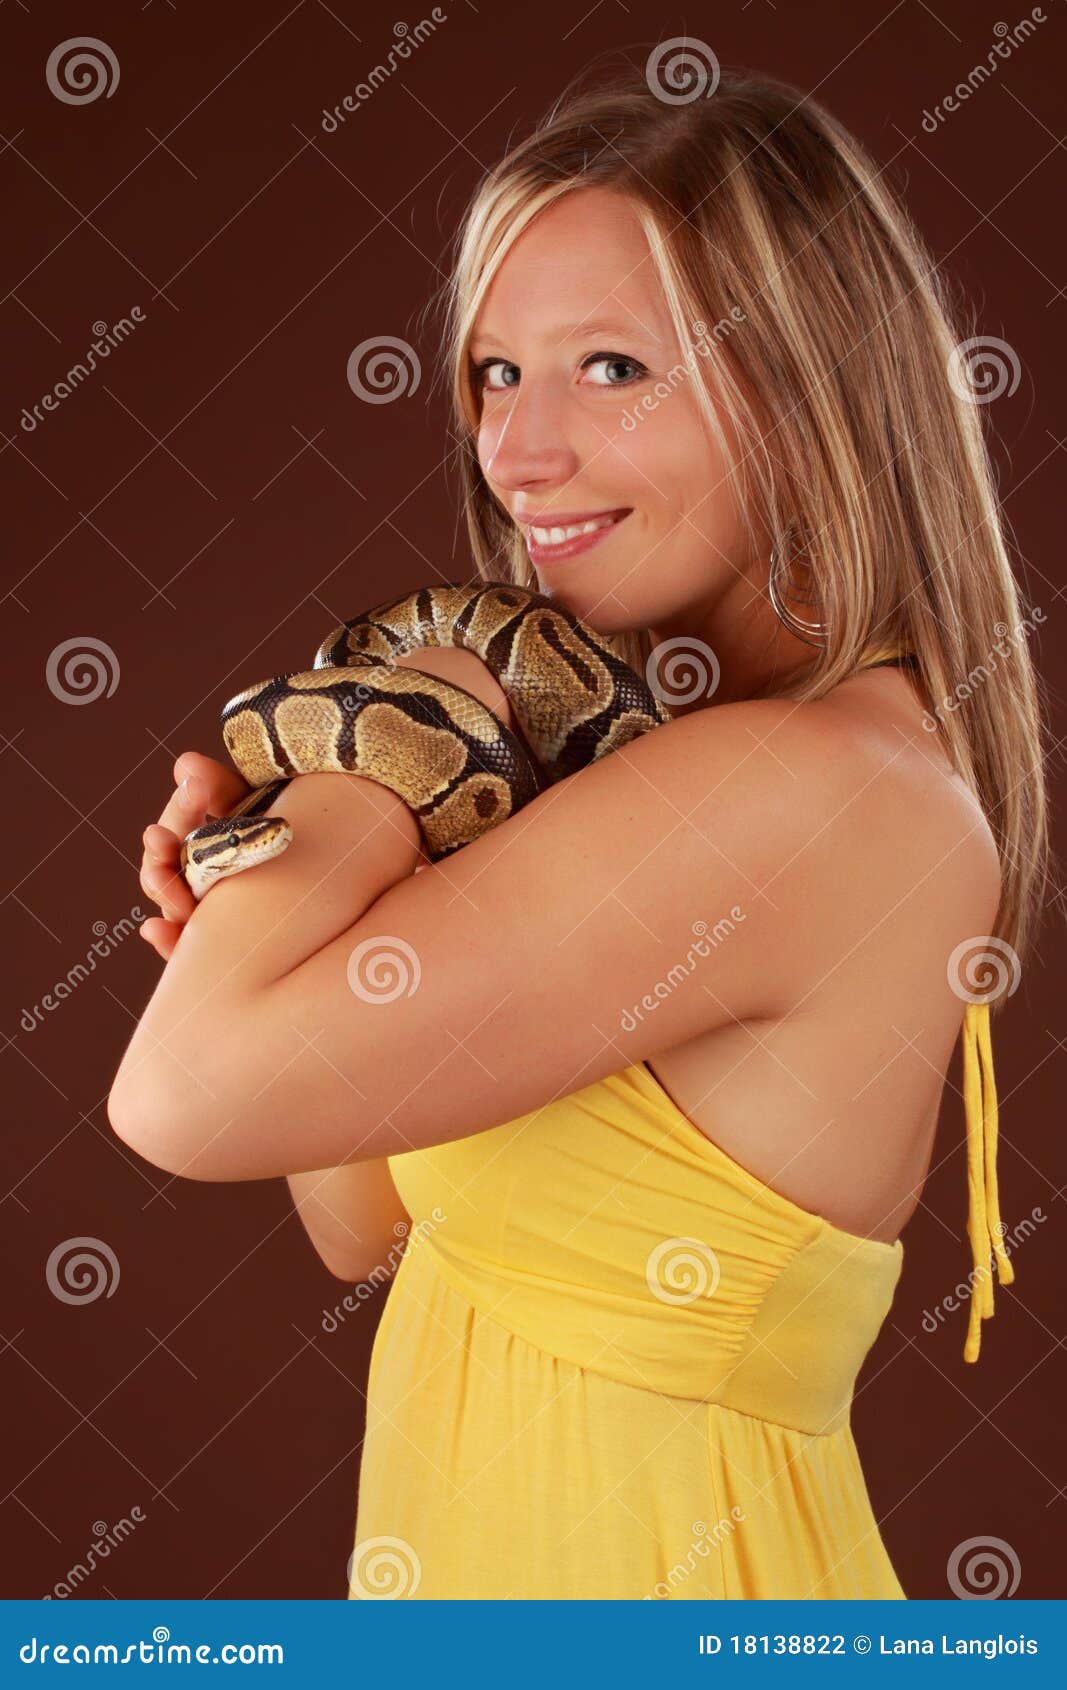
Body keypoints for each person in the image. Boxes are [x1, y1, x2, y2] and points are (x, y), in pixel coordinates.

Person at [110, 65, 1049, 1599]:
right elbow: (367, 1219)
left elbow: (178, 1096)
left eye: (612, 368)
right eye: (495, 373)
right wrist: (288, 883)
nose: (518, 453)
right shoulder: (670, 769)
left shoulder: (809, 788)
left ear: (818, 388)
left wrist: (377, 745)